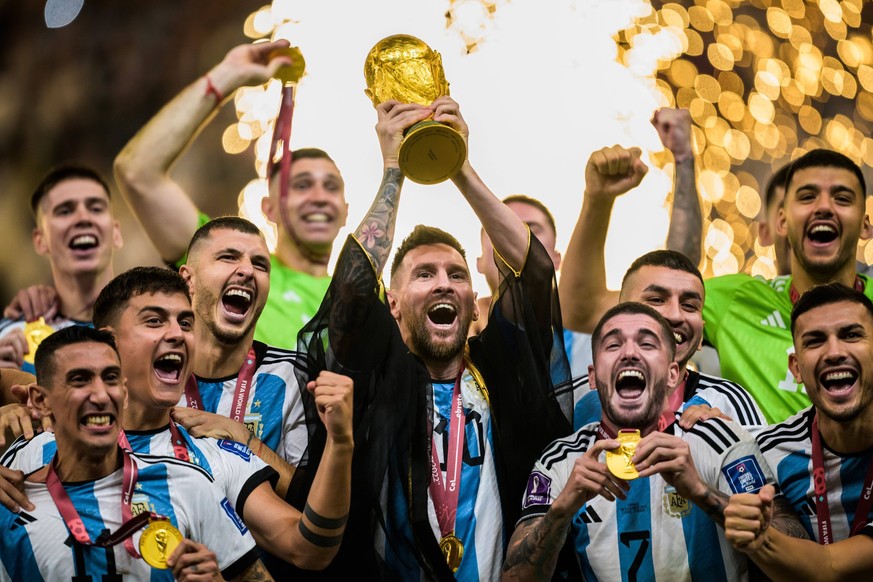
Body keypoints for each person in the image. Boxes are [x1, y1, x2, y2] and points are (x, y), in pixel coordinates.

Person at [295, 95, 572, 580]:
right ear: (394, 303)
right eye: (424, 274)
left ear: (472, 303)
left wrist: (458, 165)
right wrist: (393, 168)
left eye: (457, 274)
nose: (444, 282)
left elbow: (534, 274)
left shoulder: (502, 372)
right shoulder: (376, 376)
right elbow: (355, 287)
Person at [0, 267, 354, 571]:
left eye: (186, 323)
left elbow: (309, 548)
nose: (177, 334)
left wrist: (340, 445)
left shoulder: (216, 457)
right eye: (154, 321)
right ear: (108, 341)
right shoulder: (37, 440)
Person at [561, 148, 873, 423]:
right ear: (780, 222)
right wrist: (598, 201)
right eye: (807, 197)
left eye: (842, 198)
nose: (824, 208)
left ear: (865, 224)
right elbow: (583, 309)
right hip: (762, 486)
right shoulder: (737, 298)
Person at [502, 303, 803, 581]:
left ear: (673, 374)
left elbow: (800, 553)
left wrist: (699, 492)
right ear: (593, 377)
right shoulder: (561, 461)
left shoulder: (718, 438)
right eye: (613, 344)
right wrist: (560, 512)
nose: (629, 353)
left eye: (647, 343)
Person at [114, 39, 348, 350]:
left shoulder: (369, 297)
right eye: (301, 185)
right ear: (268, 208)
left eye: (331, 186)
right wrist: (228, 76)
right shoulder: (226, 265)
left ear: (345, 210)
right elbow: (137, 171)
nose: (319, 196)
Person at [0, 325, 267, 580]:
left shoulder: (189, 485)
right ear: (40, 400)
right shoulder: (9, 502)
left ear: (124, 393)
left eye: (111, 378)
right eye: (80, 380)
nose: (101, 395)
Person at [722, 283, 873, 579]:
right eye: (815, 341)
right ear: (796, 369)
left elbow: (830, 569)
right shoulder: (767, 450)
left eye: (851, 335)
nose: (834, 352)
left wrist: (759, 537)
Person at [571, 250, 765, 431]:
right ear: (617, 315)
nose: (675, 315)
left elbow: (761, 466)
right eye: (656, 300)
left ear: (701, 337)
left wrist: (726, 444)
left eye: (689, 305)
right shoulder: (572, 399)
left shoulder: (729, 402)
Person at [0, 165, 122, 371]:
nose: (83, 218)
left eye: (96, 208)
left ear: (116, 233)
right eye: (65, 211)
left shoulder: (154, 327)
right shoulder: (11, 337)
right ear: (40, 240)